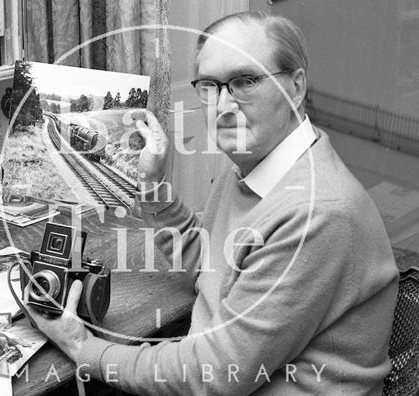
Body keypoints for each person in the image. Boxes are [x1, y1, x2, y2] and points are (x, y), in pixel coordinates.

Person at [28, 11, 399, 395]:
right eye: (210, 85)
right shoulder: (255, 163)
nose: (223, 105)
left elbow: (216, 374)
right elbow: (210, 264)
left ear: (296, 87)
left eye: (244, 81)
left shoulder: (317, 214)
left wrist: (81, 346)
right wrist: (151, 183)